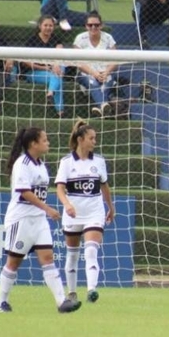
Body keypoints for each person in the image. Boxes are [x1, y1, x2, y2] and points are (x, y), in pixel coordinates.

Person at [0, 126, 82, 313]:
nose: (47, 142)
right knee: (13, 262)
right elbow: (25, 193)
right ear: (33, 144)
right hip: (21, 219)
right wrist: (48, 209)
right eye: (44, 140)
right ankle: (1, 302)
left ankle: (61, 302)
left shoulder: (41, 164)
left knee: (48, 258)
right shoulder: (22, 163)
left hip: (39, 220)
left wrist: (44, 211)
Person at [56, 119, 115, 303]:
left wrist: (110, 207)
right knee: (72, 254)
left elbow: (104, 187)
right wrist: (67, 204)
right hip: (73, 215)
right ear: (81, 139)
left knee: (90, 251)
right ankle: (72, 292)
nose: (94, 142)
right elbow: (59, 188)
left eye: (95, 138)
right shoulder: (66, 162)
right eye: (91, 138)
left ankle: (91, 290)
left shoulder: (98, 161)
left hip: (94, 213)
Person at [73, 11, 118, 118]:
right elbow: (78, 63)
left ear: (101, 25)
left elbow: (115, 60)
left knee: (105, 85)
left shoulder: (108, 38)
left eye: (96, 25)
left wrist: (106, 72)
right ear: (86, 26)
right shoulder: (80, 38)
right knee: (93, 82)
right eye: (90, 25)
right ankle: (103, 105)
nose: (93, 27)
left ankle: (100, 109)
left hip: (105, 73)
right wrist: (94, 73)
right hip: (87, 73)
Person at [21, 15, 66, 118]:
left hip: (53, 71)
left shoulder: (56, 39)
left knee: (59, 69)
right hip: (33, 73)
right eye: (45, 25)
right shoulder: (32, 40)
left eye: (51, 25)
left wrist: (55, 64)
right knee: (57, 76)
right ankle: (60, 110)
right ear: (40, 26)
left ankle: (51, 94)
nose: (48, 28)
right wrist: (44, 68)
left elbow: (60, 51)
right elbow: (25, 62)